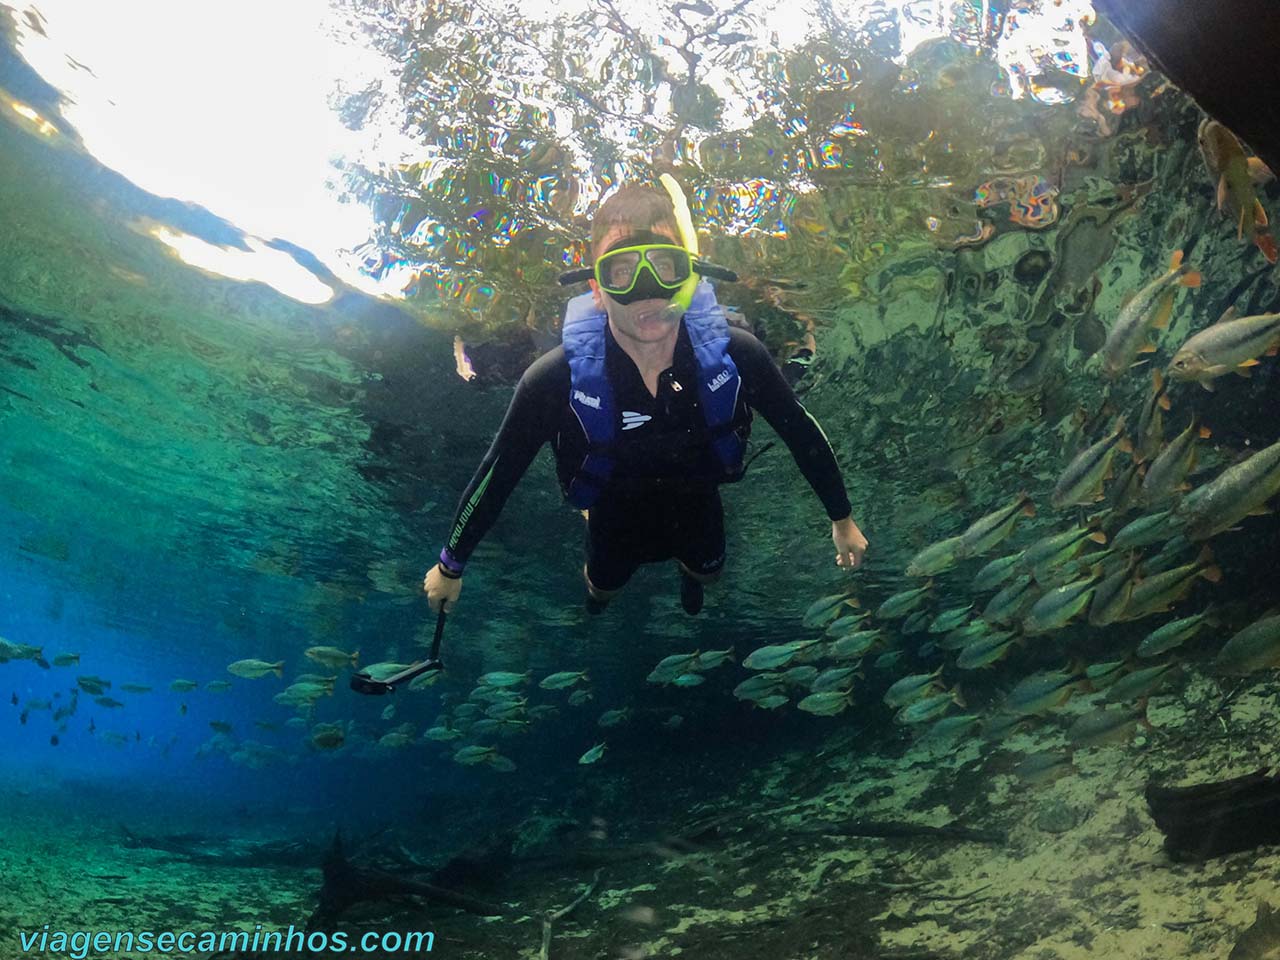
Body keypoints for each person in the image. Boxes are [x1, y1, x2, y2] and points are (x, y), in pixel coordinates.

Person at [423, 177, 867, 617]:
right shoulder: (553, 379)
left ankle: (690, 585)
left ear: (687, 274)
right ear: (597, 288)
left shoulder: (737, 353)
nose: (647, 288)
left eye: (664, 265)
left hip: (699, 508)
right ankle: (597, 603)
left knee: (705, 576)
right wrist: (450, 565)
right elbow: (498, 472)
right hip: (611, 518)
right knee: (601, 590)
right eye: (622, 271)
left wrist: (842, 518)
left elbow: (800, 431)